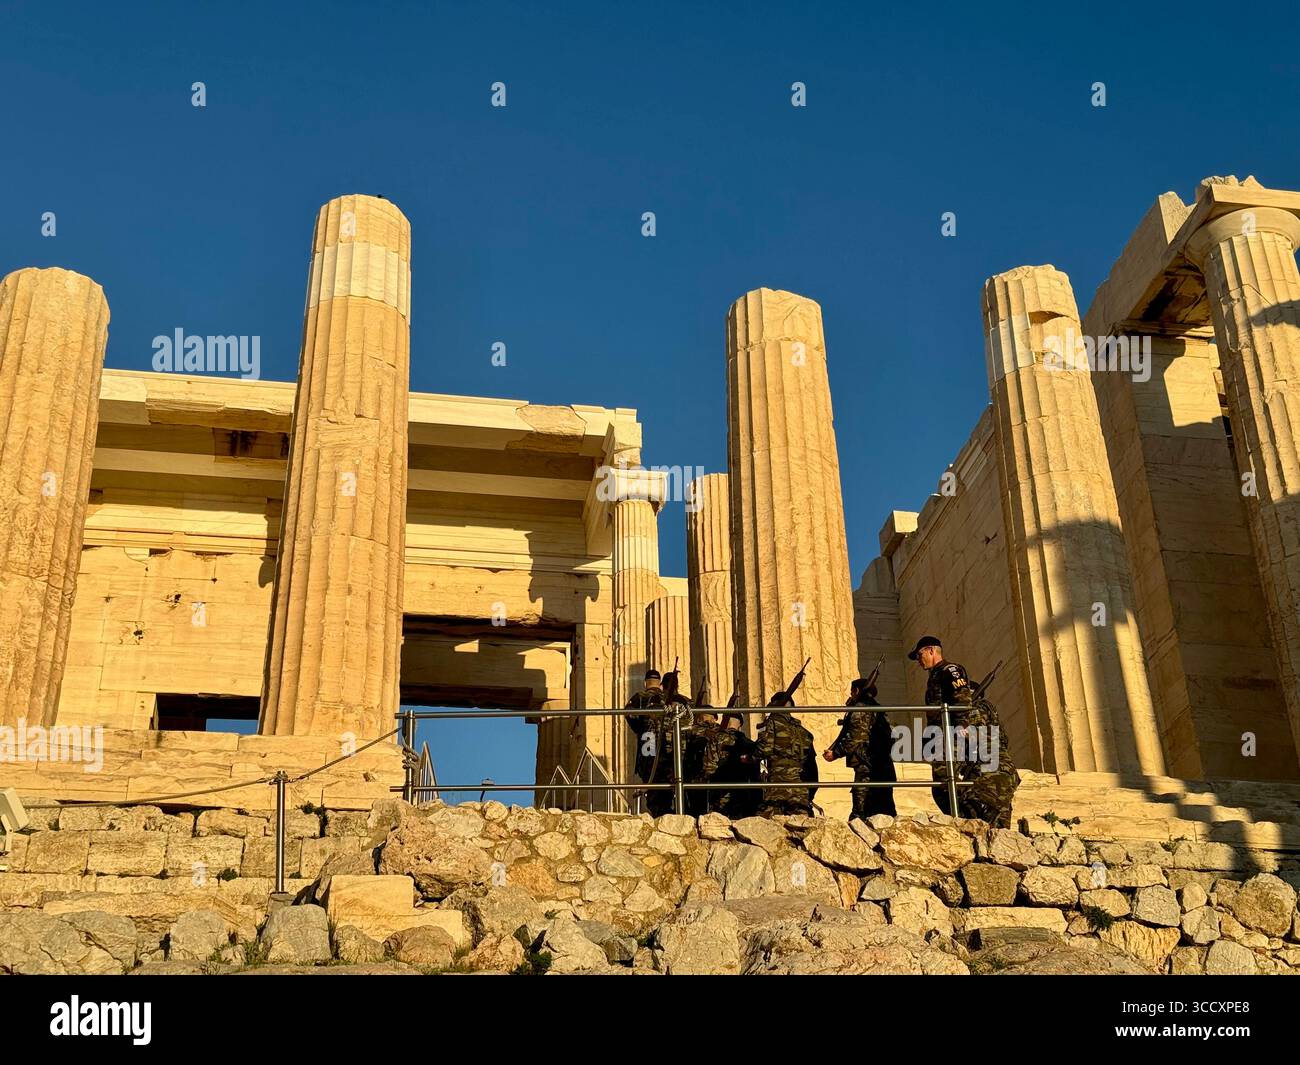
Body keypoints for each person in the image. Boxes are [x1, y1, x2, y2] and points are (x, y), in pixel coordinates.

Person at [908, 635, 1018, 827]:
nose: (918, 659)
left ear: (932, 650)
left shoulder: (949, 670)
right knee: (943, 785)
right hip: (942, 736)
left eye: (919, 654)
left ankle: (971, 816)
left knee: (944, 783)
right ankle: (967, 817)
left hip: (952, 735)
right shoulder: (935, 676)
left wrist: (961, 724)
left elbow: (960, 698)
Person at [824, 677, 897, 821]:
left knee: (860, 813)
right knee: (885, 808)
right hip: (882, 764)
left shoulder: (861, 708)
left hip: (867, 765)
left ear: (856, 691)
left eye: (852, 692)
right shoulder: (879, 709)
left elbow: (856, 737)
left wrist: (836, 753)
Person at [624, 668, 681, 816]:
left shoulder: (640, 696)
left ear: (645, 682)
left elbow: (628, 713)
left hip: (647, 741)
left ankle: (657, 810)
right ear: (659, 683)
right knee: (667, 778)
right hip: (668, 744)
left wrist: (639, 729)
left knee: (649, 776)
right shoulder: (668, 697)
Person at [755, 691, 818, 817]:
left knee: (768, 824)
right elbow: (812, 768)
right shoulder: (805, 733)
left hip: (778, 784)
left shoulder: (773, 723)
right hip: (799, 787)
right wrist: (810, 792)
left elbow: (764, 750)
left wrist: (753, 753)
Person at [713, 712, 760, 817]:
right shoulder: (749, 744)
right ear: (740, 725)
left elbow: (708, 766)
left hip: (719, 787)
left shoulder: (714, 739)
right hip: (743, 790)